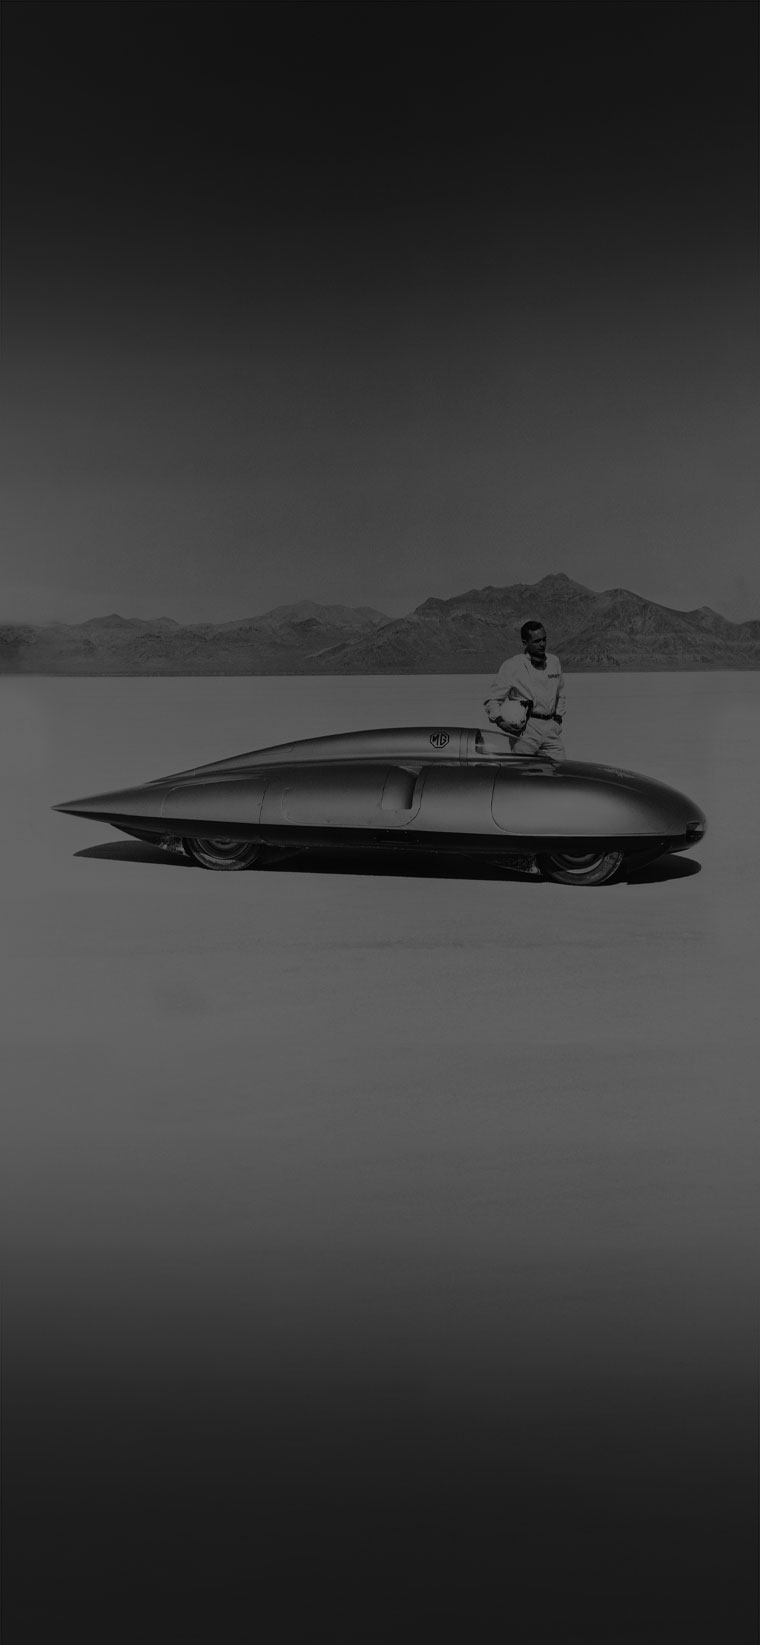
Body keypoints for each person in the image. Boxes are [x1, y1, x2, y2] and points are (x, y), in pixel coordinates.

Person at [484, 620, 566, 760]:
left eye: (544, 639)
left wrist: (557, 719)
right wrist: (500, 721)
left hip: (551, 727)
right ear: (525, 643)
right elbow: (493, 699)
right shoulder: (512, 666)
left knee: (559, 768)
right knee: (523, 770)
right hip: (526, 729)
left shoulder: (554, 662)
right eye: (537, 641)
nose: (542, 644)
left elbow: (561, 694)